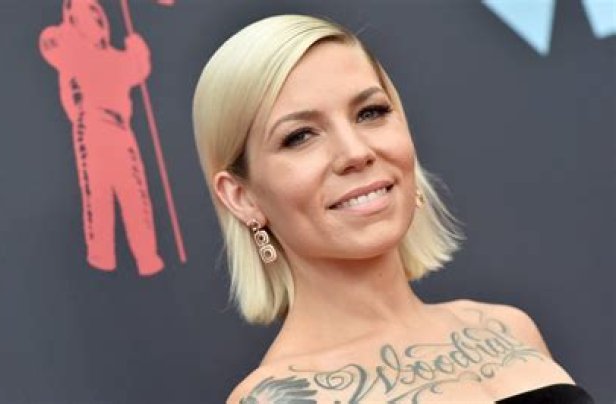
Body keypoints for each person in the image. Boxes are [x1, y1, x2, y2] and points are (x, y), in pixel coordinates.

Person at [192, 15, 594, 403]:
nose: (356, 152)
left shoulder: (510, 329)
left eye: (370, 113)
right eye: (299, 136)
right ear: (242, 197)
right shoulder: (274, 398)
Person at [39, 0, 163, 275]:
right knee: (99, 191)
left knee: (134, 192)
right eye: (87, 15)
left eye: (98, 15)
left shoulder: (114, 58)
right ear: (74, 23)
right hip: (91, 125)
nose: (96, 19)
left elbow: (137, 70)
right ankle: (101, 255)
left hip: (121, 128)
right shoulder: (72, 52)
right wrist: (70, 25)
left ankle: (146, 255)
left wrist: (136, 49)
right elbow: (50, 42)